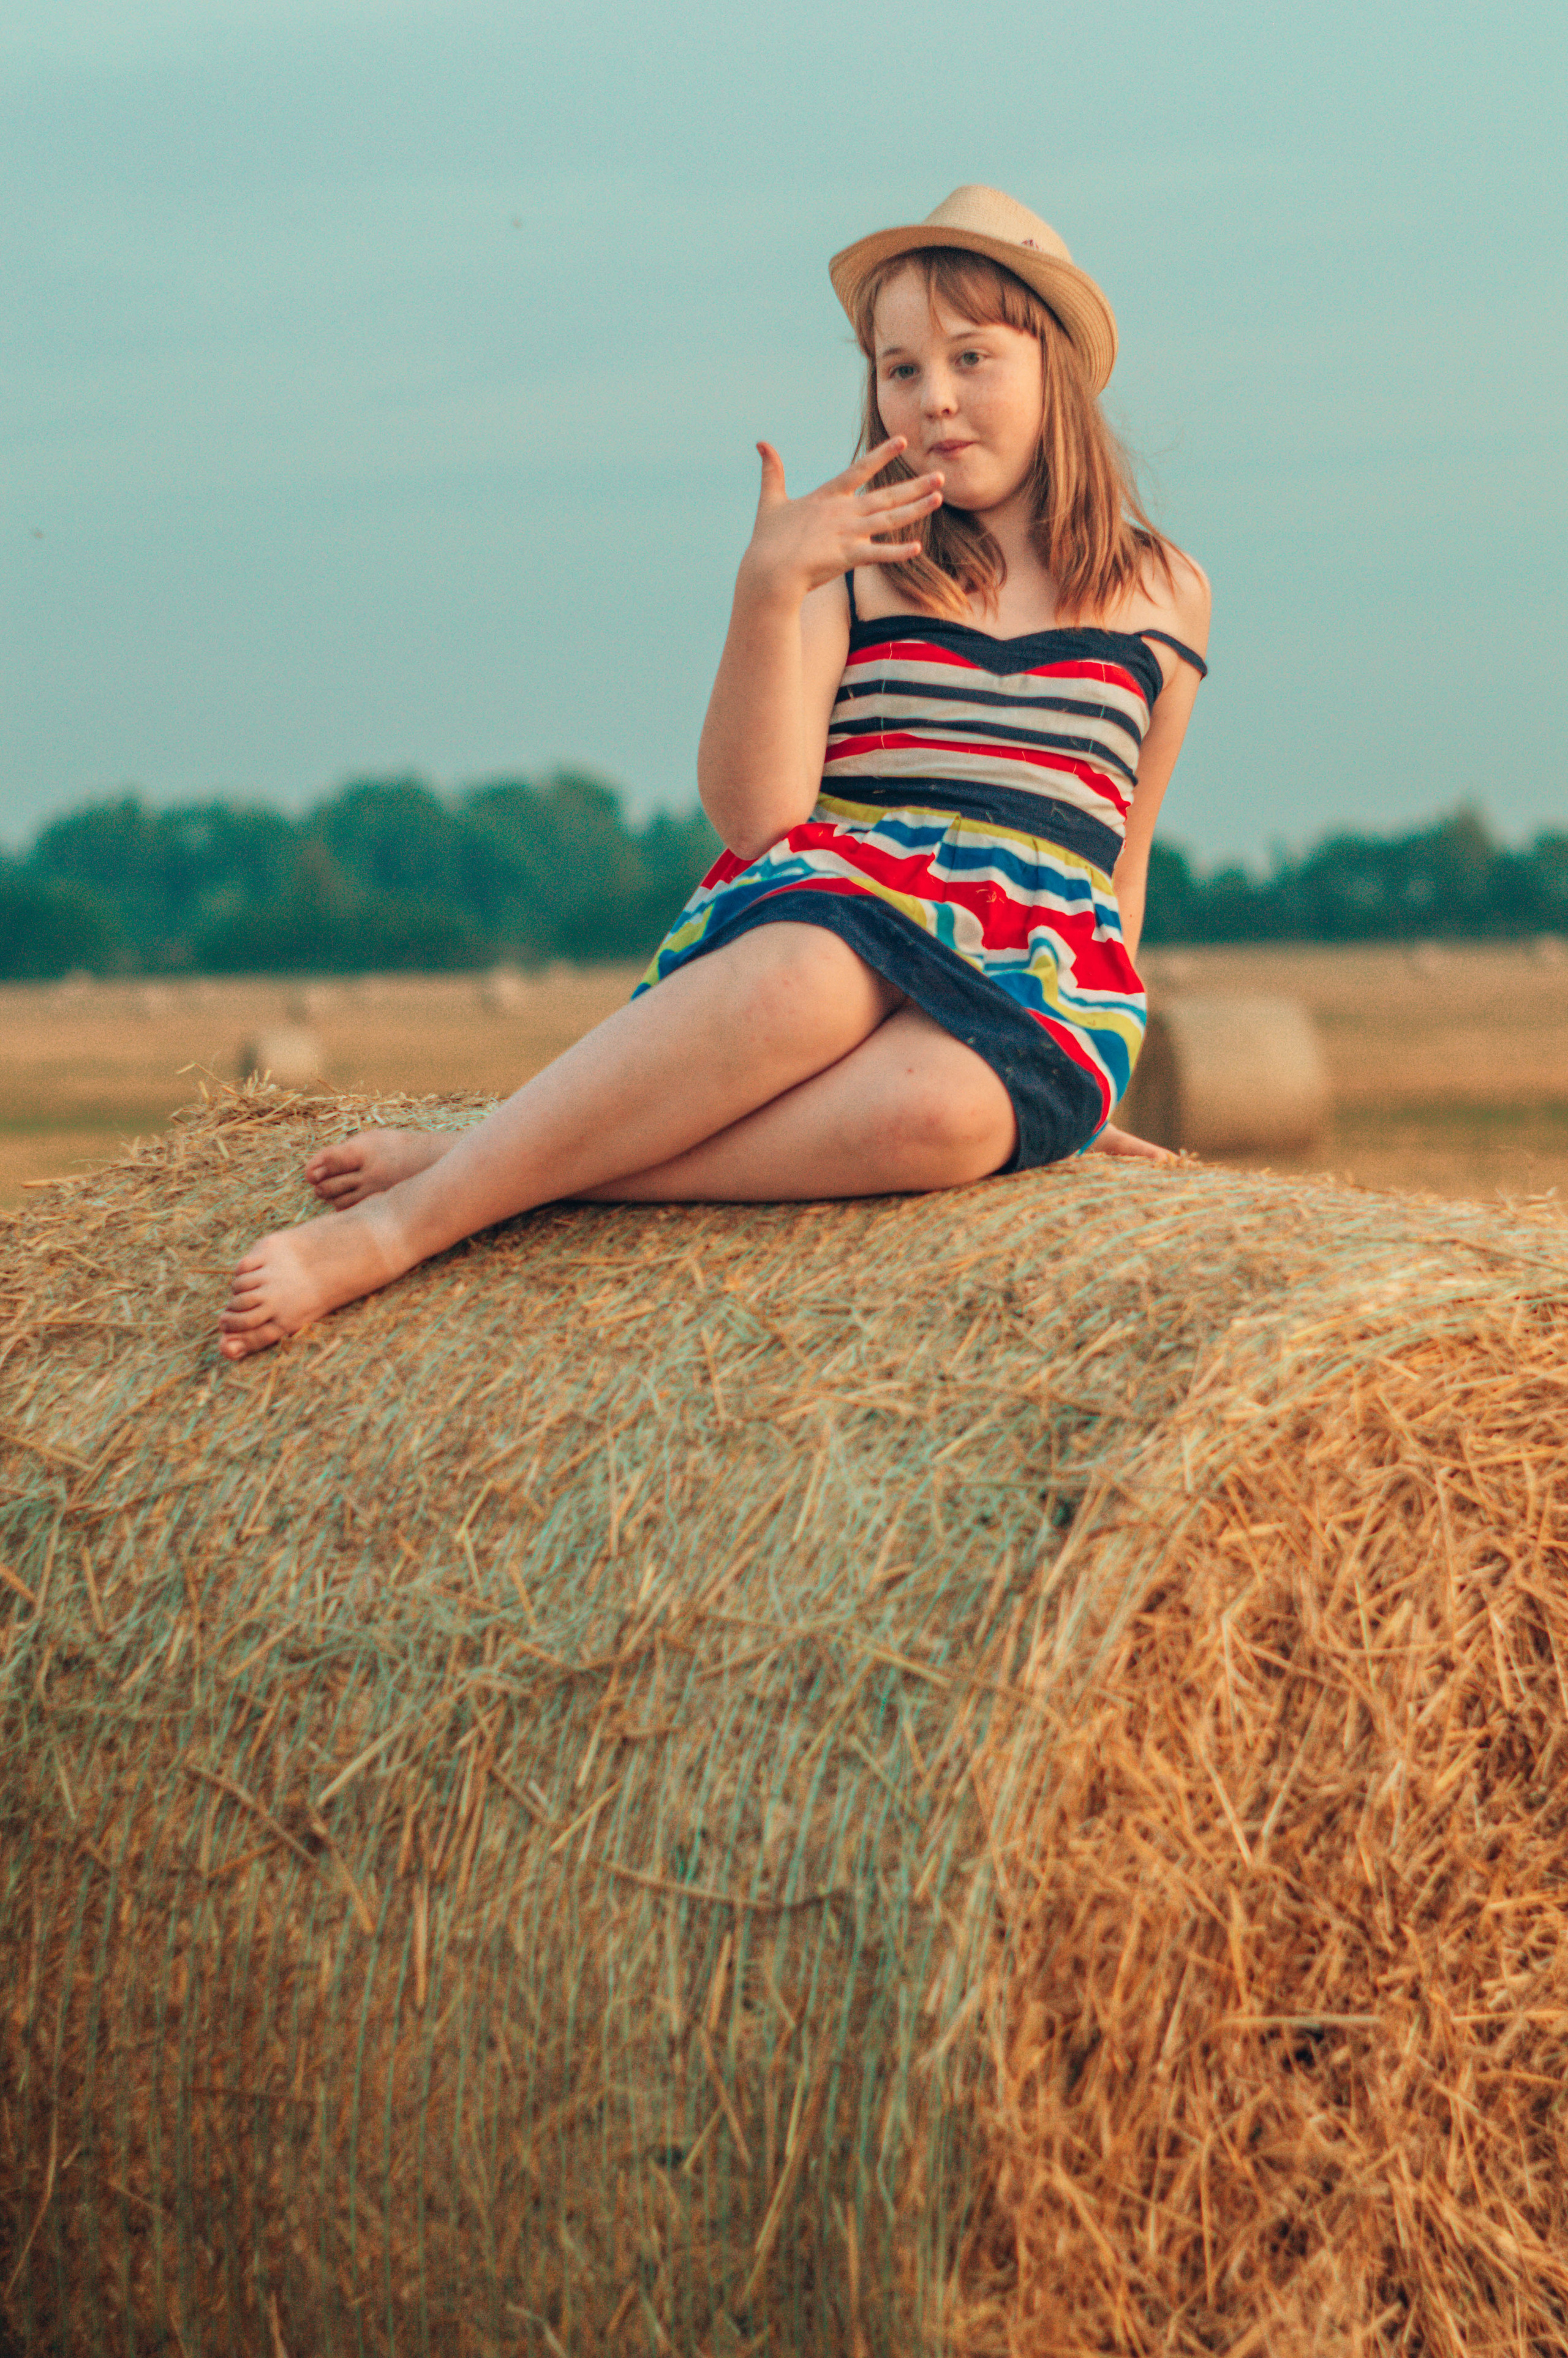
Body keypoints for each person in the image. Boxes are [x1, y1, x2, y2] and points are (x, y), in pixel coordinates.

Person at [219, 185, 1209, 1361]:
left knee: (938, 1117)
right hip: (848, 908)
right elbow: (760, 814)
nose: (933, 395)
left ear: (1061, 373)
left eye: (972, 356)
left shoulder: (1166, 593)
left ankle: (513, 1160)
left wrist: (1080, 1083)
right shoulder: (859, 560)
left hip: (1036, 976)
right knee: (810, 977)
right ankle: (395, 1232)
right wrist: (768, 588)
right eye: (899, 369)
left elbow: (1120, 865)